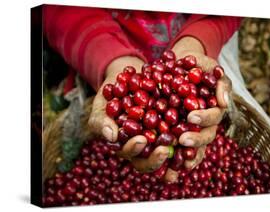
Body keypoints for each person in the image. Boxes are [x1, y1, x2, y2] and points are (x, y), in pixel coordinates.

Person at [43, 5, 242, 181]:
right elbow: (54, 10)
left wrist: (199, 39)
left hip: (200, 35)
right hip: (98, 47)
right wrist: (111, 61)